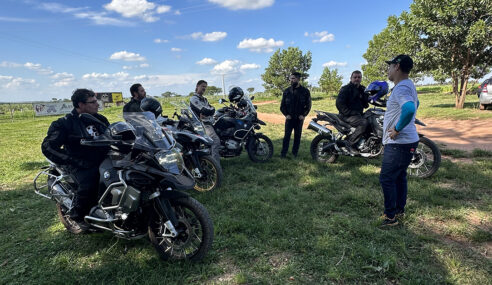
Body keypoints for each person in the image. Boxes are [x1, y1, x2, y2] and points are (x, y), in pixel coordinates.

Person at [41, 89, 109, 226]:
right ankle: (78, 215)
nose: (98, 104)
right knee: (91, 181)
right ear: (80, 104)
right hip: (80, 163)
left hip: (103, 158)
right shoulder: (65, 123)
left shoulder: (100, 119)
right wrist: (73, 160)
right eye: (93, 102)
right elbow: (48, 147)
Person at [379, 54, 419, 227]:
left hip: (399, 143)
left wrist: (396, 129)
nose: (388, 69)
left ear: (397, 66)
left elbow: (410, 108)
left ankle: (390, 218)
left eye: (390, 66)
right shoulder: (408, 85)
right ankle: (399, 210)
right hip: (408, 141)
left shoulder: (401, 88)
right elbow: (416, 104)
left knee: (387, 178)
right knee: (399, 176)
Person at [280, 72, 311, 158]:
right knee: (286, 137)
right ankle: (283, 154)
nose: (291, 80)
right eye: (290, 78)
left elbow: (308, 106)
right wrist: (286, 115)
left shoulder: (305, 91)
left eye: (293, 78)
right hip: (289, 118)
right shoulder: (286, 91)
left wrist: (303, 115)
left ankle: (294, 153)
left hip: (299, 119)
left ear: (298, 79)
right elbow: (282, 106)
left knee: (297, 137)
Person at [335, 70, 368, 154]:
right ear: (351, 78)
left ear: (361, 78)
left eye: (359, 77)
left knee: (370, 118)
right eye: (355, 77)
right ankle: (350, 143)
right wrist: (350, 112)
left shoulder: (363, 89)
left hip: (358, 114)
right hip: (346, 116)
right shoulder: (345, 89)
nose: (357, 79)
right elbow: (339, 104)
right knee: (363, 123)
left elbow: (366, 102)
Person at [190, 80, 221, 163]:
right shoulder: (194, 98)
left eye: (205, 87)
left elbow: (211, 108)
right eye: (203, 86)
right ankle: (215, 164)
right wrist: (209, 110)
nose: (204, 88)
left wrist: (210, 110)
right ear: (197, 86)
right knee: (215, 141)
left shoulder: (204, 99)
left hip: (208, 122)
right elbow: (205, 110)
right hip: (202, 124)